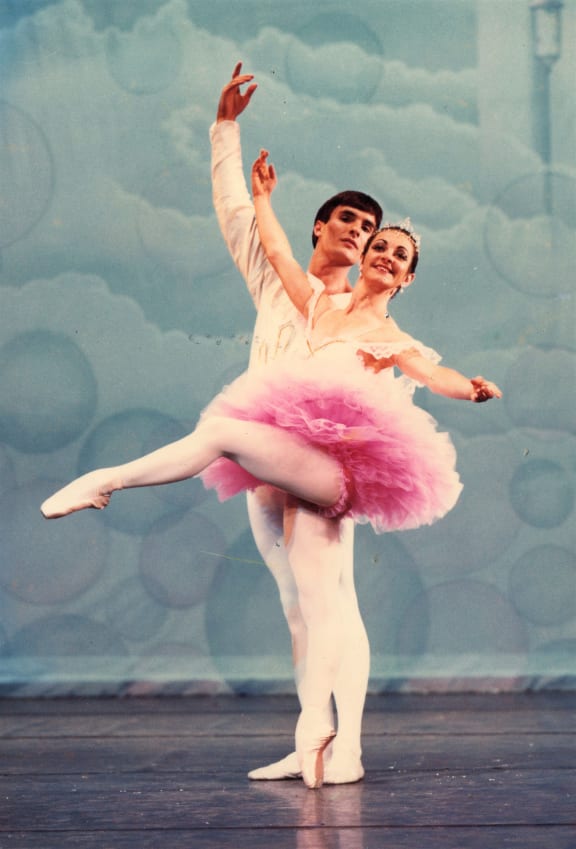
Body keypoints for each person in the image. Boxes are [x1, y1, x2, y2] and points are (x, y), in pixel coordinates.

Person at [40, 150, 502, 790]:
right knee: (314, 604)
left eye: (399, 255)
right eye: (380, 246)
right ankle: (320, 743)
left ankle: (105, 481)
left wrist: (470, 389)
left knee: (227, 436)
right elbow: (281, 254)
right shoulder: (317, 305)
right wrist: (261, 198)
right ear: (363, 257)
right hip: (292, 461)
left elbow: (435, 373)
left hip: (336, 469)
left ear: (406, 280)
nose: (385, 256)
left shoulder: (391, 337)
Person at [210, 63, 383, 786]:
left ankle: (350, 747)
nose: (358, 232)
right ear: (320, 223)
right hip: (262, 460)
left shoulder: (362, 309)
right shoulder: (278, 281)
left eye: (370, 228)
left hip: (320, 465)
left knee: (335, 595)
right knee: (295, 603)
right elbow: (236, 215)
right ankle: (312, 735)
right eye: (348, 219)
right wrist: (224, 127)